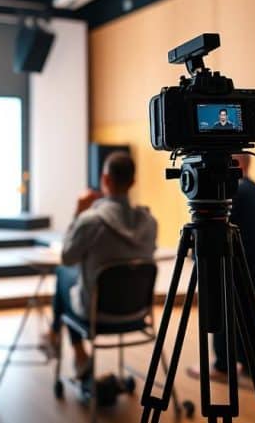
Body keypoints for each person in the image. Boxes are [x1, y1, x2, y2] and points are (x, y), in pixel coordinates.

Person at [45, 151, 157, 379]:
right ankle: (55, 336)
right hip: (138, 313)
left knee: (63, 273)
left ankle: (71, 348)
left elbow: (67, 257)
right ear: (133, 182)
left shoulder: (90, 221)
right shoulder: (149, 222)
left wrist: (78, 211)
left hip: (97, 315)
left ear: (105, 180)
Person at [185, 153, 255, 383]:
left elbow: (216, 232)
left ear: (235, 163)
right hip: (254, 266)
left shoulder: (233, 193)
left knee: (221, 315)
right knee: (250, 319)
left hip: (231, 266)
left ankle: (222, 366)